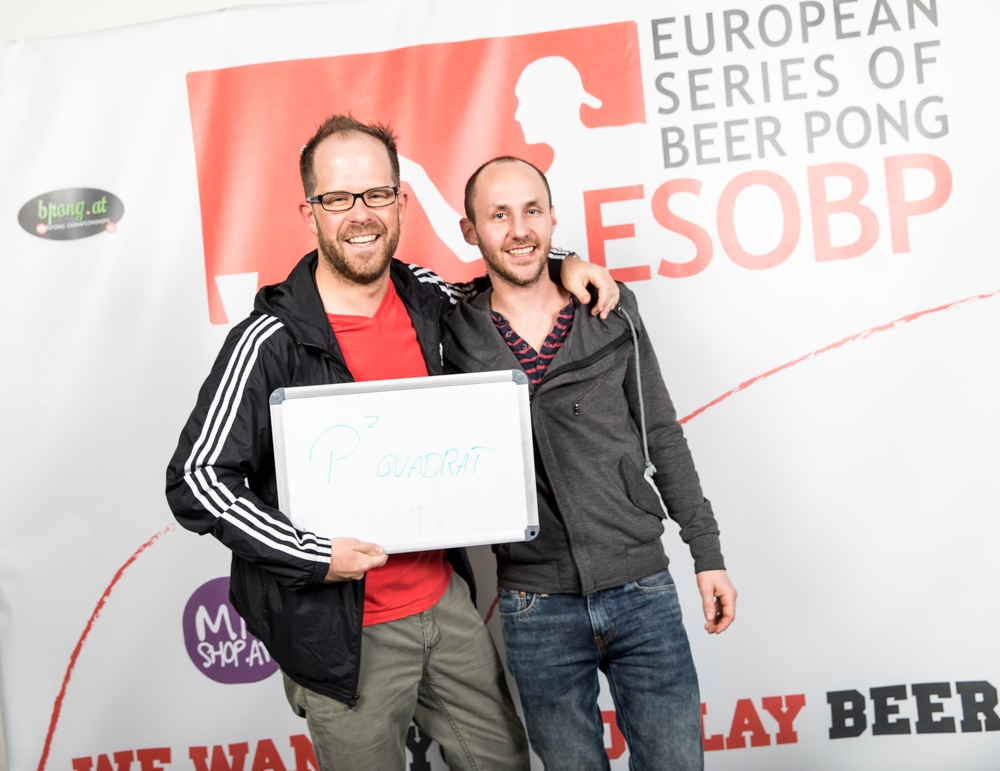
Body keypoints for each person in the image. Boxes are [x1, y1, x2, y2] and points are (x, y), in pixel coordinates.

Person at [164, 115, 619, 771]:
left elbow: (502, 282)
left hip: (444, 603)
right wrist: (313, 553)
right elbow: (198, 478)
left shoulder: (427, 299)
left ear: (401, 201)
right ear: (310, 212)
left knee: (503, 761)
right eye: (338, 198)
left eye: (377, 194)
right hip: (340, 635)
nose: (361, 214)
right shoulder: (270, 340)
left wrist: (562, 261)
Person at [441, 157, 737, 771]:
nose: (519, 229)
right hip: (534, 605)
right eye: (498, 215)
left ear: (553, 218)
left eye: (532, 210)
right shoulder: (452, 334)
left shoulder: (610, 310)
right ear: (470, 231)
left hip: (643, 589)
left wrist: (706, 553)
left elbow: (660, 434)